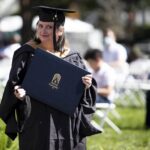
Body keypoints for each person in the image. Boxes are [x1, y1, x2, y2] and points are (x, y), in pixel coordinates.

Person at [0, 6, 100, 150]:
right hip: (36, 119)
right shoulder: (27, 54)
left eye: (49, 27)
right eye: (40, 26)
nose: (43, 30)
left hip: (65, 121)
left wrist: (87, 85)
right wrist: (19, 93)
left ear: (60, 31)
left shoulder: (73, 57)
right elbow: (14, 85)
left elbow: (83, 93)